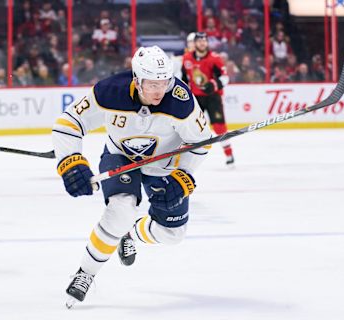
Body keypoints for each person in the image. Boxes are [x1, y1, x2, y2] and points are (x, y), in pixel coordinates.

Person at [52, 45, 212, 307]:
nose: (159, 90)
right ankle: (85, 273)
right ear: (137, 80)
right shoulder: (109, 91)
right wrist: (70, 161)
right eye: (151, 84)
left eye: (164, 82)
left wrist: (184, 176)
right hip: (121, 158)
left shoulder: (181, 101)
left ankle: (130, 234)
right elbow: (69, 123)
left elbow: (201, 142)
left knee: (172, 234)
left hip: (165, 166)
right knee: (120, 209)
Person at [182, 32, 234, 166]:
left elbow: (225, 77)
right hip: (196, 98)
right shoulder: (187, 58)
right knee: (191, 128)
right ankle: (185, 158)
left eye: (204, 40)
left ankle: (229, 155)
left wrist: (214, 84)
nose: (202, 43)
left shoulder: (214, 58)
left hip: (213, 97)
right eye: (199, 41)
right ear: (195, 43)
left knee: (219, 127)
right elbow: (183, 79)